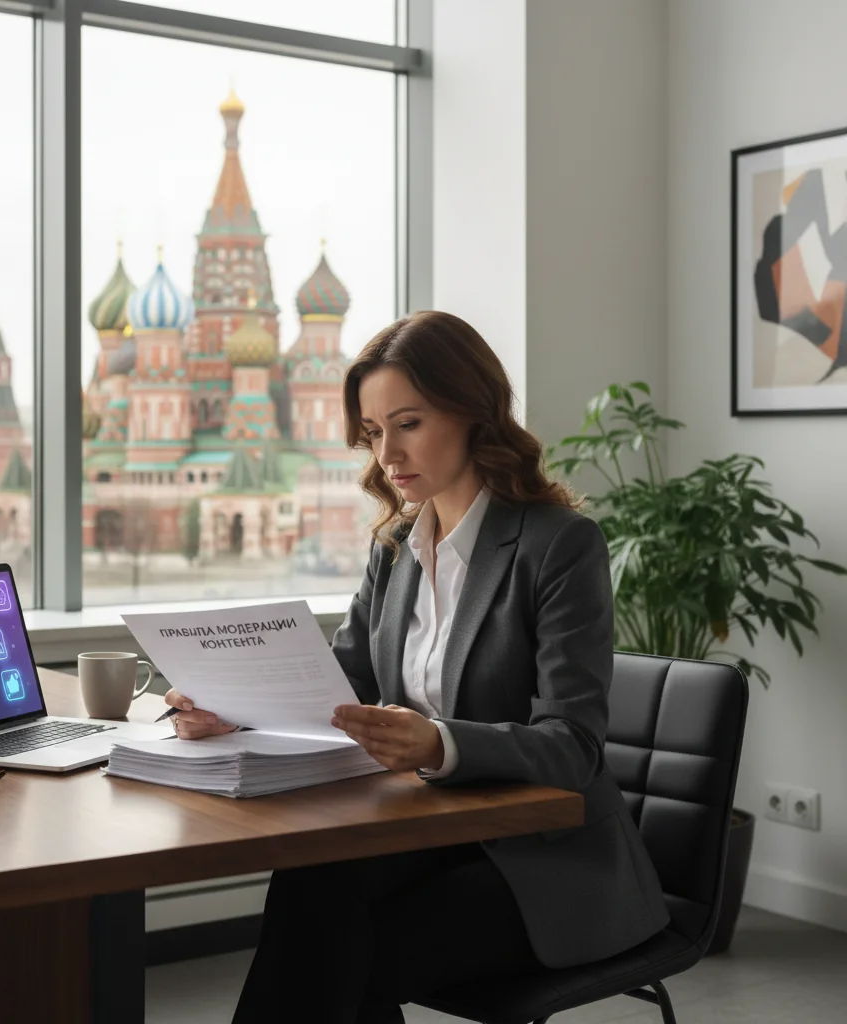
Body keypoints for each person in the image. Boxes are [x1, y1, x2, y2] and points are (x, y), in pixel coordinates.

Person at [163, 311, 670, 1023]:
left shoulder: (560, 546)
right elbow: (343, 688)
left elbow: (573, 747)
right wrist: (231, 705)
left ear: (471, 411)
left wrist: (441, 742)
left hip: (546, 862)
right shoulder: (397, 543)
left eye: (408, 423)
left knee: (340, 950)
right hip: (427, 832)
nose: (387, 454)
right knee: (316, 892)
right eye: (373, 433)